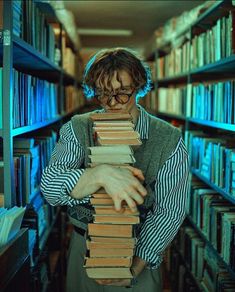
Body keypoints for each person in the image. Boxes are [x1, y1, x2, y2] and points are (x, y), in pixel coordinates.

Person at [40, 48, 189, 292]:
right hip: (83, 250)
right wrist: (99, 175)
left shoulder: (169, 139)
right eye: (103, 94)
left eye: (122, 93)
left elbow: (169, 211)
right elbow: (50, 187)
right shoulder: (77, 127)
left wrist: (135, 266)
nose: (111, 103)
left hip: (139, 251)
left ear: (139, 87)